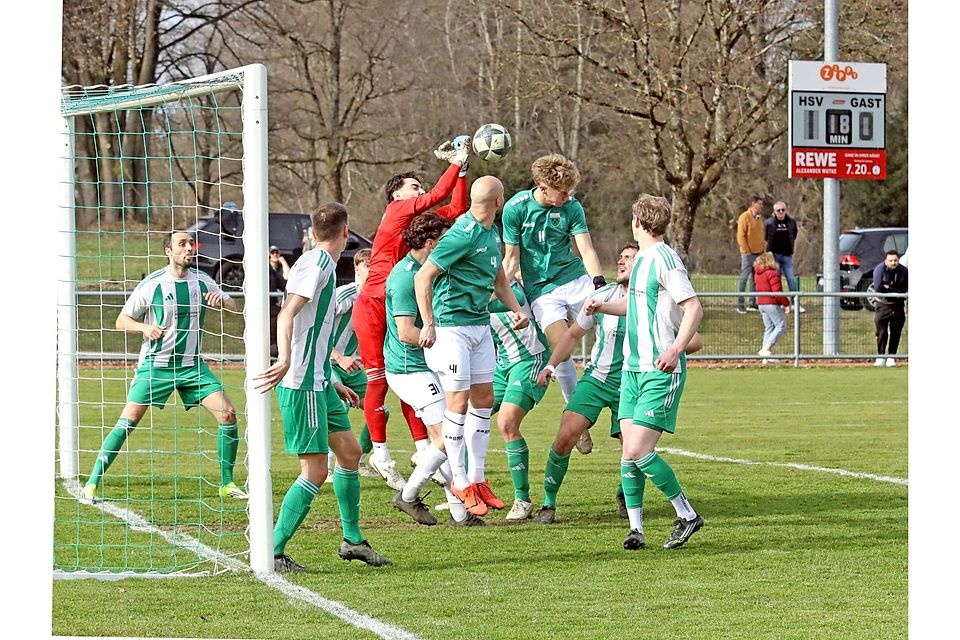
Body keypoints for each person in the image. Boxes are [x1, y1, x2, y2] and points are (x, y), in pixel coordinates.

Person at [254, 202, 391, 573]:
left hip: (320, 381)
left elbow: (313, 332)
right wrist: (283, 360)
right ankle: (273, 551)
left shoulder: (321, 264)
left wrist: (330, 378)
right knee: (314, 471)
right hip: (302, 384)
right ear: (346, 232)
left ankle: (353, 540)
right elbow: (287, 314)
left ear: (313, 233)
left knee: (349, 453)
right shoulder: (315, 266)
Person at [81, 231, 246, 503]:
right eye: (183, 244)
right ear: (168, 251)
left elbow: (231, 306)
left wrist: (224, 302)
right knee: (127, 422)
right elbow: (122, 320)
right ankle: (92, 482)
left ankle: (226, 483)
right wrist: (145, 327)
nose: (189, 248)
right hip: (156, 366)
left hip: (192, 366)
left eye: (191, 243)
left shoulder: (203, 280)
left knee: (227, 414)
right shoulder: (152, 284)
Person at [584, 193, 704, 551]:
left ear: (638, 222)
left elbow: (694, 308)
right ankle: (636, 529)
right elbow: (636, 305)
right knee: (627, 454)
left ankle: (686, 514)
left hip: (658, 370)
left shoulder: (665, 260)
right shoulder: (642, 262)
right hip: (632, 371)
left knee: (637, 450)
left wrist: (675, 348)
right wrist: (603, 305)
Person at [353, 138, 470, 491]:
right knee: (379, 378)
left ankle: (423, 449)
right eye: (412, 187)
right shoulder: (397, 212)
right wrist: (455, 162)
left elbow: (456, 208)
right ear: (397, 197)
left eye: (419, 186)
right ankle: (381, 453)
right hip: (375, 300)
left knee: (412, 375)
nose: (419, 191)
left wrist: (462, 171)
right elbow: (437, 195)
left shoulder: (416, 223)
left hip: (397, 298)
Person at [414, 175, 529, 520]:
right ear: (500, 202)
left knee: (484, 398)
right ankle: (460, 481)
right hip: (453, 329)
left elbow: (498, 280)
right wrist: (430, 322)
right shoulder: (461, 233)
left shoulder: (492, 234)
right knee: (459, 402)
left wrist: (517, 309)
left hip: (479, 325)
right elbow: (424, 277)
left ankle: (478, 479)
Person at [383, 213, 484, 526]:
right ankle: (412, 496)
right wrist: (450, 347)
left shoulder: (439, 267)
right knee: (446, 436)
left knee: (451, 435)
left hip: (430, 364)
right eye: (444, 237)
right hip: (409, 368)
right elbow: (405, 332)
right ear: (430, 243)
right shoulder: (403, 278)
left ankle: (456, 512)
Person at [500, 153, 605, 456]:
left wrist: (598, 282)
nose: (567, 197)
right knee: (562, 348)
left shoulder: (571, 207)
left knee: (615, 321)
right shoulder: (516, 209)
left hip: (574, 279)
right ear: (543, 187)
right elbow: (511, 259)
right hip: (542, 291)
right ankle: (578, 419)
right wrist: (498, 292)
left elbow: (585, 249)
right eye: (562, 192)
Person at [530, 242, 639, 525]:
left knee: (632, 447)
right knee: (566, 435)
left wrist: (674, 350)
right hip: (597, 379)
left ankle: (624, 496)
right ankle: (548, 503)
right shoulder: (601, 296)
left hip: (632, 382)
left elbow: (690, 338)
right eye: (621, 257)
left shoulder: (652, 299)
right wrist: (551, 364)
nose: (622, 261)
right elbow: (572, 334)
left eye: (630, 257)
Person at [489, 276, 551, 522]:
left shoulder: (510, 281)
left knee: (506, 423)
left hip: (529, 360)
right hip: (500, 364)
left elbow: (517, 295)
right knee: (466, 417)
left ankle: (522, 499)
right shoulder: (463, 281)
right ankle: (466, 491)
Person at [328, 249, 381, 479]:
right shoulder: (343, 296)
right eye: (367, 265)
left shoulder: (376, 298)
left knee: (379, 410)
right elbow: (315, 331)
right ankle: (330, 468)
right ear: (356, 268)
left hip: (351, 365)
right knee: (339, 409)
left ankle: (359, 460)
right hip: (328, 363)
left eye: (375, 265)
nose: (372, 270)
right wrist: (339, 357)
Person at [765, 201, 804, 312]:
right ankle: (780, 303)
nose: (781, 212)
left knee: (791, 280)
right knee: (776, 280)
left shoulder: (791, 222)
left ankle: (795, 303)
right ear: (774, 211)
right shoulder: (769, 223)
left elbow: (794, 235)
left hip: (787, 255)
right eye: (779, 210)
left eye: (783, 210)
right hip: (774, 255)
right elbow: (766, 237)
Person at [872, 250, 908, 367]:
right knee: (881, 332)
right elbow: (878, 288)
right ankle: (881, 356)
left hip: (898, 305)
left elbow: (904, 288)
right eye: (891, 260)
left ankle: (891, 356)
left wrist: (889, 288)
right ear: (885, 261)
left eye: (895, 260)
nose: (893, 263)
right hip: (883, 305)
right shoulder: (879, 269)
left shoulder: (904, 271)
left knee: (896, 332)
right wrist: (893, 290)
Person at [753, 252, 791, 362]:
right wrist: (786, 303)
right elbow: (777, 292)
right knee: (781, 326)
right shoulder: (772, 274)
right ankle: (766, 349)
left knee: (769, 328)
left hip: (761, 304)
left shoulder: (758, 274)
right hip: (771, 303)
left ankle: (765, 358)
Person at [736, 195, 765, 314]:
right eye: (760, 204)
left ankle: (753, 303)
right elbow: (741, 235)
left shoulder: (759, 218)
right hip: (748, 253)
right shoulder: (744, 217)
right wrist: (746, 249)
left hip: (759, 252)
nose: (761, 206)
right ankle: (740, 304)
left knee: (755, 279)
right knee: (744, 278)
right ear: (753, 204)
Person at [268, 245, 290, 358]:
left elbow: (287, 283)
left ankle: (276, 351)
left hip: (272, 308)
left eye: (277, 252)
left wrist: (283, 262)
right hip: (263, 309)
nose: (275, 254)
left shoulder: (276, 272)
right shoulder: (264, 269)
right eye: (273, 252)